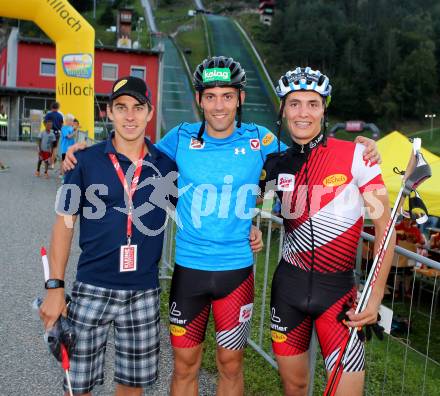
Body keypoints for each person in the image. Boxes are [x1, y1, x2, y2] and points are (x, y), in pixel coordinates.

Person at [64, 57, 380, 396]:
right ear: (199, 99)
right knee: (185, 366)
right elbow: (132, 148)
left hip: (237, 275)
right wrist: (84, 151)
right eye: (210, 96)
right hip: (189, 272)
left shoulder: (261, 141)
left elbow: (308, 154)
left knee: (231, 365)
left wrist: (362, 148)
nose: (219, 105)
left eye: (227, 96)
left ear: (240, 99)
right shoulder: (180, 137)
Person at [259, 67, 395, 396]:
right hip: (287, 290)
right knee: (295, 386)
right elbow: (250, 200)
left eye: (312, 103)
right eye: (294, 104)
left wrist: (375, 297)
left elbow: (384, 227)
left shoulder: (358, 156)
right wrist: (252, 227)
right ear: (282, 109)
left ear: (324, 109)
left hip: (339, 295)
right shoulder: (273, 162)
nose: (303, 112)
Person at [39, 76, 178, 396]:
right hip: (91, 289)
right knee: (79, 387)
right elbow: (64, 223)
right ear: (109, 113)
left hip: (143, 292)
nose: (130, 116)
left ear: (150, 112)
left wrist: (250, 228)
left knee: (131, 388)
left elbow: (201, 213)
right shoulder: (84, 160)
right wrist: (55, 287)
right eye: (121, 108)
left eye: (137, 108)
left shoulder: (167, 166)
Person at [44, 101, 64, 167]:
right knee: (55, 149)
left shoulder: (48, 115)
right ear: (58, 108)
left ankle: (47, 163)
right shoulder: (60, 116)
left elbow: (45, 123)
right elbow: (62, 125)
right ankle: (52, 164)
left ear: (51, 107)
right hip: (57, 134)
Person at [59, 114, 76, 178]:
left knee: (70, 162)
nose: (72, 122)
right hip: (65, 148)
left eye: (73, 120)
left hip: (71, 148)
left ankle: (67, 176)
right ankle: (63, 177)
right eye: (71, 120)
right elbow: (68, 137)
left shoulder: (71, 128)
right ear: (67, 121)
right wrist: (75, 131)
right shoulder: (64, 128)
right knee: (64, 162)